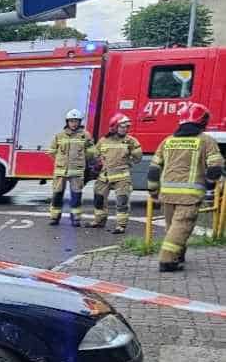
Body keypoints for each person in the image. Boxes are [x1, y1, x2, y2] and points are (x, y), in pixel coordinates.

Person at [148, 103, 224, 272]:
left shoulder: (167, 141)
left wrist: (153, 191)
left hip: (167, 194)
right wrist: (210, 185)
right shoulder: (206, 141)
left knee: (172, 228)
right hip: (190, 195)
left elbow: (153, 169)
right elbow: (215, 168)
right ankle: (167, 261)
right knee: (181, 227)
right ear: (202, 121)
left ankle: (178, 255)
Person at [88, 113, 142, 233]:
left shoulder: (131, 141)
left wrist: (127, 163)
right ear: (114, 127)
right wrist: (99, 164)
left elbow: (138, 158)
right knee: (99, 199)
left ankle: (121, 225)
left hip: (122, 177)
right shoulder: (103, 140)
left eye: (127, 127)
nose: (125, 129)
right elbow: (96, 155)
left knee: (122, 201)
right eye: (122, 126)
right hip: (104, 176)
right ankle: (99, 221)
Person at [47, 108, 97, 226]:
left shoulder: (85, 135)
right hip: (61, 171)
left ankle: (75, 218)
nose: (74, 123)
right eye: (71, 121)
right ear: (67, 122)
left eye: (76, 121)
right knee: (57, 194)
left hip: (77, 171)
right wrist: (60, 161)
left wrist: (83, 159)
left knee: (76, 196)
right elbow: (52, 151)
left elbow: (92, 151)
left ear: (80, 122)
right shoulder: (59, 136)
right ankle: (54, 217)